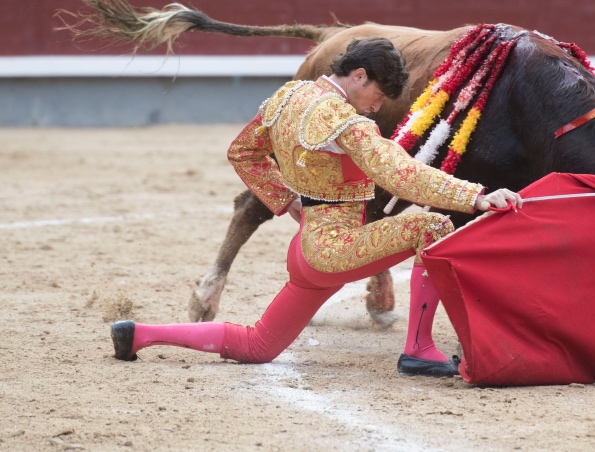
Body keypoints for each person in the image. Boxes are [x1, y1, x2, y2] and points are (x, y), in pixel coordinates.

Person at [109, 37, 521, 377]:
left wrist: (285, 199)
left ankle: (140, 333)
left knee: (257, 345)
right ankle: (419, 349)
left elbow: (243, 152)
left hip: (308, 251)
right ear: (359, 76)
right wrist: (477, 196)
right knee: (431, 228)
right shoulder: (345, 120)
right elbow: (398, 173)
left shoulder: (289, 96)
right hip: (335, 250)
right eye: (378, 95)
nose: (377, 108)